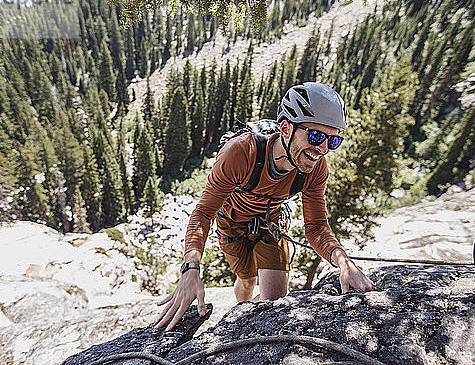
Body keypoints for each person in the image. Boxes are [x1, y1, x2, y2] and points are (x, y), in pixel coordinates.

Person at [155, 82, 374, 331]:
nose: (322, 149)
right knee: (247, 281)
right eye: (315, 136)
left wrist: (344, 262)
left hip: (272, 221)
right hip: (231, 223)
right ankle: (243, 312)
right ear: (285, 128)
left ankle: (247, 322)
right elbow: (203, 213)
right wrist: (191, 268)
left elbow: (316, 226)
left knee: (274, 302)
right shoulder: (241, 153)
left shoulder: (315, 169)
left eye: (333, 141)